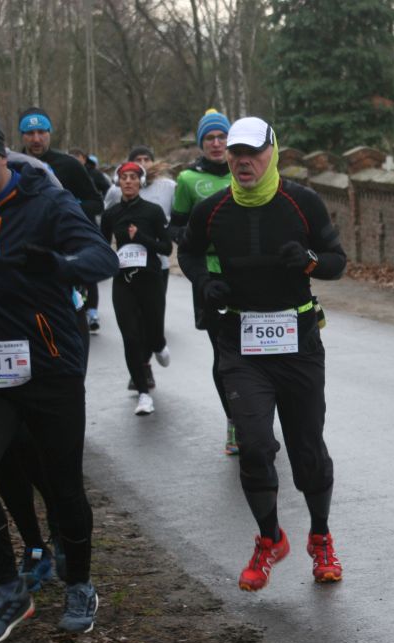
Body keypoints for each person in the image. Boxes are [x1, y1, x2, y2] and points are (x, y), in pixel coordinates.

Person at [178, 117, 347, 592]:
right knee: (252, 445)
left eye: (253, 152)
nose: (243, 161)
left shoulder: (302, 202)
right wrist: (204, 281)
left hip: (299, 342)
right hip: (240, 343)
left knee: (307, 448)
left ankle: (320, 537)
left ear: (273, 152)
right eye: (236, 152)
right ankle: (270, 539)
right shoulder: (212, 209)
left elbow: (337, 262)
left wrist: (310, 262)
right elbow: (188, 252)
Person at [0, 115, 119, 642]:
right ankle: (8, 588)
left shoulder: (47, 202)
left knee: (63, 484)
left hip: (50, 364)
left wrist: (60, 265)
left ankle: (80, 585)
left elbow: (102, 256)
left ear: (0, 155)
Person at [169, 110, 240, 454]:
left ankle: (256, 413)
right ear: (201, 143)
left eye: (221, 137)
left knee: (257, 352)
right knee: (223, 353)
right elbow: (175, 226)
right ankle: (234, 421)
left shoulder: (245, 171)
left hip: (248, 273)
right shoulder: (187, 179)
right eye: (209, 138)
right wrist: (197, 237)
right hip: (209, 276)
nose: (216, 143)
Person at [19, 109, 105, 335]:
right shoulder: (12, 164)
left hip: (62, 251)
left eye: (41, 132)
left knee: (70, 319)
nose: (36, 139)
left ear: (50, 133)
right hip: (23, 251)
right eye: (29, 133)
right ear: (21, 135)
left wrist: (66, 212)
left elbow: (96, 203)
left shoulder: (69, 165)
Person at [101, 161, 172, 415]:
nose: (128, 181)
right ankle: (143, 393)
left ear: (140, 182)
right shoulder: (111, 214)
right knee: (130, 338)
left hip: (150, 279)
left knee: (153, 331)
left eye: (133, 177)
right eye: (124, 177)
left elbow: (166, 248)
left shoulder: (152, 211)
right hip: (124, 281)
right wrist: (108, 261)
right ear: (118, 182)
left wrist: (140, 238)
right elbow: (102, 245)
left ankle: (159, 343)